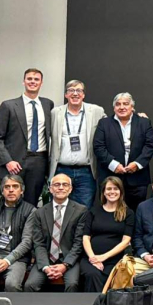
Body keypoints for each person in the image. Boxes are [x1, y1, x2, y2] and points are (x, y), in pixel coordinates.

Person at [0, 68, 55, 205]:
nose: (33, 82)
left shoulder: (47, 104)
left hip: (39, 161)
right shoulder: (8, 105)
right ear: (23, 81)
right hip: (14, 163)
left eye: (36, 79)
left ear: (41, 83)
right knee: (9, 202)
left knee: (31, 204)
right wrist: (8, 161)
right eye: (29, 79)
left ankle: (28, 228)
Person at [25, 174, 90, 292]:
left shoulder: (81, 211)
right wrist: (45, 267)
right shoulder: (40, 213)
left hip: (69, 258)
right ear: (50, 189)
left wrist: (65, 265)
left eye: (65, 185)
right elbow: (38, 243)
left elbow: (78, 243)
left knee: (73, 284)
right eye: (56, 184)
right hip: (46, 259)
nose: (60, 187)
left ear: (70, 189)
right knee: (30, 285)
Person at [48, 79, 106, 208]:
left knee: (84, 211)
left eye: (79, 90)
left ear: (83, 94)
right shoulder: (55, 113)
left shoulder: (96, 111)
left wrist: (136, 116)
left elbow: (112, 125)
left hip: (86, 172)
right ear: (66, 95)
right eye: (71, 90)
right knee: (59, 209)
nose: (75, 94)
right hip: (61, 170)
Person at [92, 92, 153, 210]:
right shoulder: (104, 123)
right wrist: (113, 165)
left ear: (132, 107)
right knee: (111, 213)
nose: (122, 107)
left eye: (126, 104)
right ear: (114, 107)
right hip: (111, 176)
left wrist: (137, 164)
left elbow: (150, 145)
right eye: (118, 104)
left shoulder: (144, 122)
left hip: (137, 178)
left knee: (135, 214)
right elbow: (98, 147)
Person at [81, 176, 134, 293]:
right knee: (92, 274)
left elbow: (126, 241)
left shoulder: (128, 213)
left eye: (115, 188)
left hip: (114, 260)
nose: (112, 192)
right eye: (108, 189)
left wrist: (104, 257)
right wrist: (93, 258)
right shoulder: (93, 211)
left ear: (121, 192)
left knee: (110, 276)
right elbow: (85, 238)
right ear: (103, 192)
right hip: (90, 258)